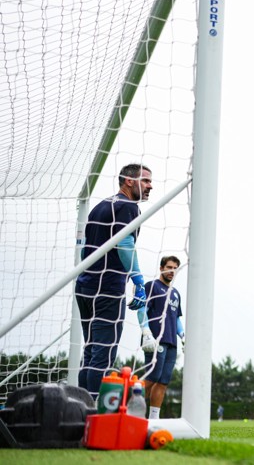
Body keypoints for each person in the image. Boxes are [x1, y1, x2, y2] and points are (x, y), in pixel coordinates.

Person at [74, 163, 153, 401]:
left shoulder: (100, 206)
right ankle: (93, 411)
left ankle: (81, 405)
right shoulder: (128, 206)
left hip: (85, 286)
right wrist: (138, 281)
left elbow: (85, 250)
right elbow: (125, 244)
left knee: (91, 350)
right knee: (103, 353)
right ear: (129, 181)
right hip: (107, 288)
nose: (150, 186)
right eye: (146, 181)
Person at [138, 255, 185, 419]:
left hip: (172, 342)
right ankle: (132, 411)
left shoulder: (176, 293)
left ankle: (153, 418)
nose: (172, 271)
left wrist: (183, 335)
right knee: (152, 377)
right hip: (155, 340)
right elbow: (142, 309)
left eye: (175, 269)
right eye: (170, 267)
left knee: (163, 382)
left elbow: (177, 318)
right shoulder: (151, 286)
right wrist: (146, 331)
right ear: (161, 268)